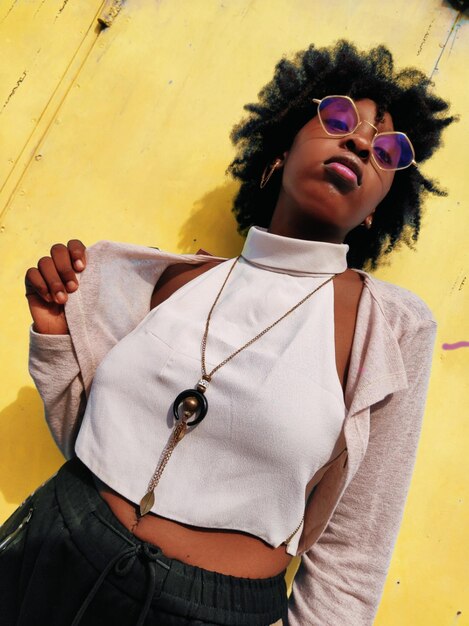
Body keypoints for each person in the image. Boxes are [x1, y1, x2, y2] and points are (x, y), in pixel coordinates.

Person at [0, 40, 456, 625]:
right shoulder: (170, 282)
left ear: (377, 209)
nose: (362, 142)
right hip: (46, 554)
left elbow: (351, 561)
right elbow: (91, 444)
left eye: (389, 150)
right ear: (281, 149)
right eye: (339, 118)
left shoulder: (389, 330)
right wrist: (56, 339)